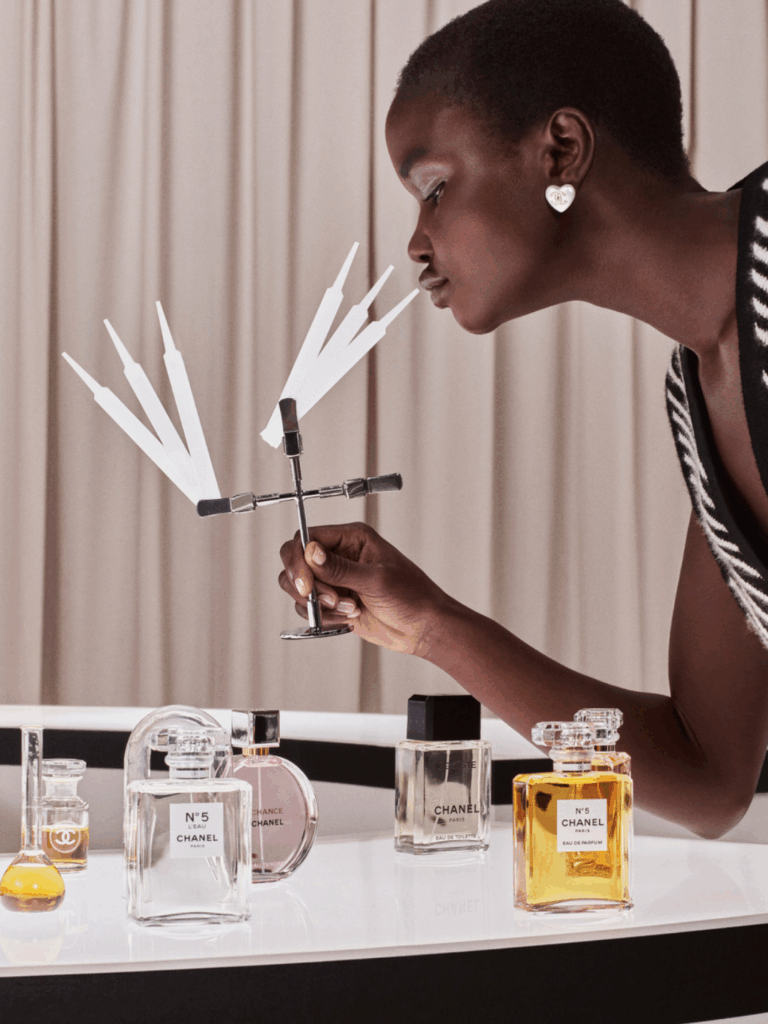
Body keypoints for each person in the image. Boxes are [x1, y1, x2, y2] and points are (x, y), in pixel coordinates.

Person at [279, 0, 768, 839]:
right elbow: (705, 773)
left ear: (562, 149)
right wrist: (432, 623)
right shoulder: (699, 400)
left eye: (434, 189)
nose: (416, 244)